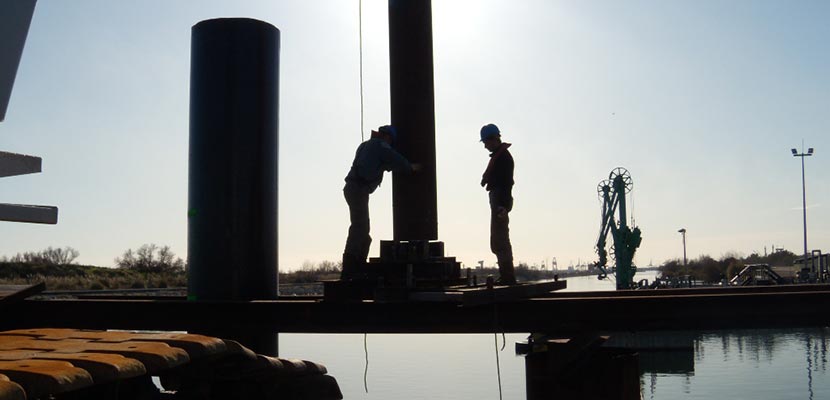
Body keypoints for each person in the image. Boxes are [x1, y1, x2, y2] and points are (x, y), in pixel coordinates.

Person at [342, 125, 420, 279]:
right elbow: (394, 158)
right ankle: (351, 268)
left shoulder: (367, 146)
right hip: (358, 189)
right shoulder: (380, 145)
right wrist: (410, 167)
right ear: (388, 137)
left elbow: (384, 163)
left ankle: (358, 264)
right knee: (360, 227)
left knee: (363, 230)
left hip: (354, 188)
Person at [480, 123, 516, 285]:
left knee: (500, 239)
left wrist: (502, 206)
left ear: (493, 139)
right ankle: (506, 275)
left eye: (486, 143)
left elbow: (507, 183)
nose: (485, 146)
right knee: (497, 239)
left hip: (500, 201)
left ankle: (508, 276)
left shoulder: (504, 158)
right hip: (498, 200)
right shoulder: (500, 157)